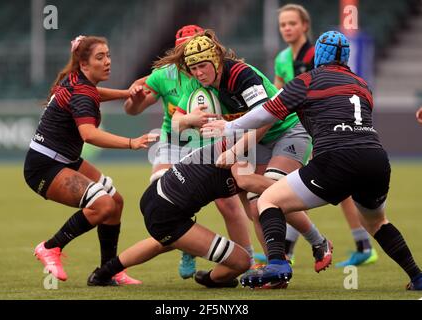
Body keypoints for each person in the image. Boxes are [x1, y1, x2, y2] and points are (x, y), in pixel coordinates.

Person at [202, 31, 422, 290]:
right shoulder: (363, 85)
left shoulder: (306, 81)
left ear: (318, 54)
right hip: (376, 159)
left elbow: (266, 114)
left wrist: (228, 128)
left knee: (268, 200)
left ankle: (277, 264)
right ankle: (417, 276)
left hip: (335, 157)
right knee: (377, 222)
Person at [157, 30, 332, 273]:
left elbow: (265, 119)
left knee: (274, 194)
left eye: (203, 66)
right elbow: (175, 123)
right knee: (256, 206)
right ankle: (276, 265)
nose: (198, 73)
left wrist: (236, 150)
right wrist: (191, 119)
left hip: (287, 130)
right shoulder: (201, 83)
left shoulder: (242, 75)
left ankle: (319, 242)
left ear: (216, 61)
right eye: (193, 68)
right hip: (251, 140)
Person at [86, 135, 327, 288]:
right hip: (168, 212)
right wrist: (295, 190)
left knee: (164, 242)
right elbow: (248, 184)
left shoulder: (237, 142)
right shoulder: (241, 147)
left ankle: (102, 274)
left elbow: (254, 209)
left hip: (156, 198)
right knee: (241, 261)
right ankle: (210, 279)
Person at [24, 35, 158, 284]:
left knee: (115, 202)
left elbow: (95, 93)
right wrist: (131, 143)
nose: (107, 61)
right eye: (100, 57)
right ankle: (51, 247)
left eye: (108, 55)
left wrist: (125, 93)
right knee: (103, 205)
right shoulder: (81, 93)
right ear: (84, 64)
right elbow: (89, 134)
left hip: (63, 159)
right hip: (45, 166)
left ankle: (107, 273)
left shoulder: (79, 81)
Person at [124, 25, 253, 280]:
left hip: (205, 142)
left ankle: (247, 257)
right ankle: (188, 244)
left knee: (228, 202)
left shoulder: (212, 71)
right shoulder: (163, 74)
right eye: (183, 50)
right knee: (160, 190)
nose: (190, 56)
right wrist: (136, 97)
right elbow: (132, 109)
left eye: (193, 48)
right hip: (173, 142)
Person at [273, 3, 378, 268]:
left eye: (292, 23)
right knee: (315, 186)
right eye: (283, 24)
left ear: (305, 26)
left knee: (309, 185)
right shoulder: (282, 59)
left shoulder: (318, 57)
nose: (287, 28)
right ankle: (361, 245)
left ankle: (290, 250)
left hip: (322, 130)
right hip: (298, 129)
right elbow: (277, 96)